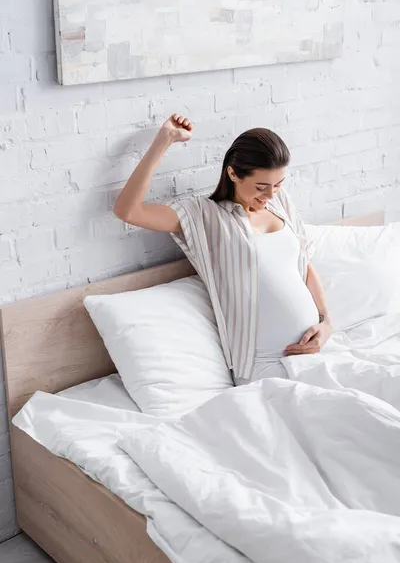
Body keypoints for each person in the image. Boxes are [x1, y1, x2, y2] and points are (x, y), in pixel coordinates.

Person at [114, 114, 333, 384]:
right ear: (232, 173)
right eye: (261, 187)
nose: (270, 195)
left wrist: (325, 323)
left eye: (278, 185)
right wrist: (165, 140)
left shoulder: (279, 203)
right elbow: (128, 210)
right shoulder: (205, 216)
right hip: (265, 365)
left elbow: (304, 265)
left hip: (316, 349)